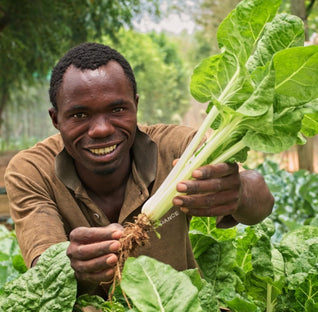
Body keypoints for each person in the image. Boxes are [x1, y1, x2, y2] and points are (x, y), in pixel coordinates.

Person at [4, 42, 274, 297]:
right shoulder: (32, 170)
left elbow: (259, 201)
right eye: (80, 115)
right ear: (55, 119)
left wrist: (241, 192)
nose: (101, 129)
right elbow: (44, 265)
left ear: (135, 105)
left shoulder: (180, 149)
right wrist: (67, 263)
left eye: (117, 109)